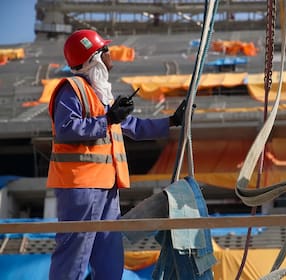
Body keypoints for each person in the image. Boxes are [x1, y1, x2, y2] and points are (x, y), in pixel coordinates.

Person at [46, 29, 187, 280]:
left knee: (109, 257)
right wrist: (108, 119)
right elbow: (67, 130)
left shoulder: (100, 95)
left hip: (106, 187)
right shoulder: (72, 89)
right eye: (106, 50)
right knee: (74, 255)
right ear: (95, 57)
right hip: (81, 186)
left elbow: (133, 127)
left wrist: (172, 121)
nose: (111, 55)